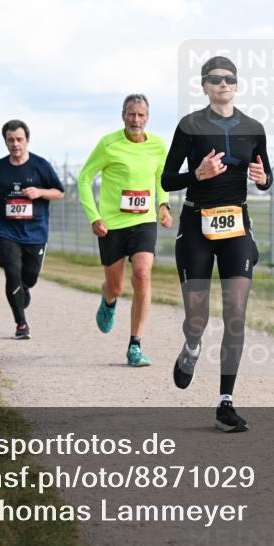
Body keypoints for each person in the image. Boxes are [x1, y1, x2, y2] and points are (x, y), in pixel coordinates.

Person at [162, 56, 273, 433]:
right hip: (196, 223)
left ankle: (225, 402)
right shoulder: (189, 126)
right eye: (215, 79)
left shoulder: (253, 128)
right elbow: (166, 180)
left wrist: (262, 177)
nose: (222, 84)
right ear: (204, 86)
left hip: (236, 224)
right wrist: (198, 173)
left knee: (236, 314)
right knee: (197, 318)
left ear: (237, 85)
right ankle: (191, 348)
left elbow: (266, 173)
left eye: (229, 79)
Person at [78, 93, 171, 368]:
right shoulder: (109, 144)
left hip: (144, 221)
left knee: (142, 275)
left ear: (148, 117)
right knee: (116, 286)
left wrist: (164, 204)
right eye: (131, 114)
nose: (136, 119)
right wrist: (94, 216)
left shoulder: (157, 145)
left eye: (141, 114)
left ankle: (135, 344)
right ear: (123, 116)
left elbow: (161, 178)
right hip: (113, 225)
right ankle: (108, 299)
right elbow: (84, 178)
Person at [0, 120, 65, 339]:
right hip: (7, 229)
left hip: (36, 231)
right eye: (11, 140)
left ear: (27, 140)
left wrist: (39, 192)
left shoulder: (40, 165)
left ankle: (24, 288)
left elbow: (59, 192)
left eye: (19, 139)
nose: (15, 144)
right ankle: (21, 323)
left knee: (30, 276)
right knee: (12, 273)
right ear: (5, 142)